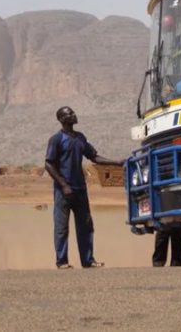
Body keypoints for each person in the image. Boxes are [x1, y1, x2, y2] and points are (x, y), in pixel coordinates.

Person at [44, 106, 124, 269]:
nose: (74, 115)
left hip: (80, 189)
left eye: (73, 112)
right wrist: (64, 185)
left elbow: (94, 157)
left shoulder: (80, 138)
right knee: (61, 227)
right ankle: (62, 261)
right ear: (61, 119)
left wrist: (116, 162)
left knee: (86, 226)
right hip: (63, 191)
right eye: (69, 114)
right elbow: (49, 164)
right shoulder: (56, 139)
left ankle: (88, 260)